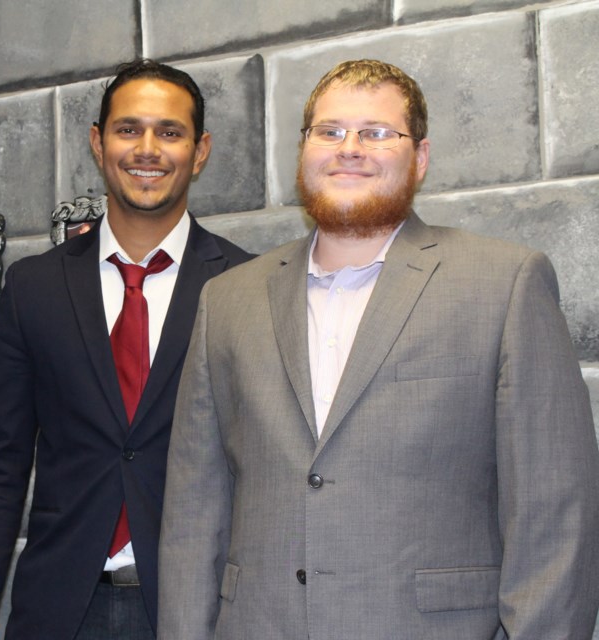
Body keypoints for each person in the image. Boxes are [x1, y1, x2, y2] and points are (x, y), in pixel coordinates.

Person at [159, 59, 599, 639]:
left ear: (419, 158)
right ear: (303, 151)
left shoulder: (504, 283)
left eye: (376, 133)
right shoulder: (227, 301)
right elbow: (195, 511)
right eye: (330, 131)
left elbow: (554, 515)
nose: (350, 148)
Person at [0, 59, 253, 640]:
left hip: (198, 612)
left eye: (170, 132)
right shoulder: (33, 287)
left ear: (201, 149)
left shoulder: (247, 285)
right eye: (128, 129)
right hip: (58, 609)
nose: (148, 149)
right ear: (97, 141)